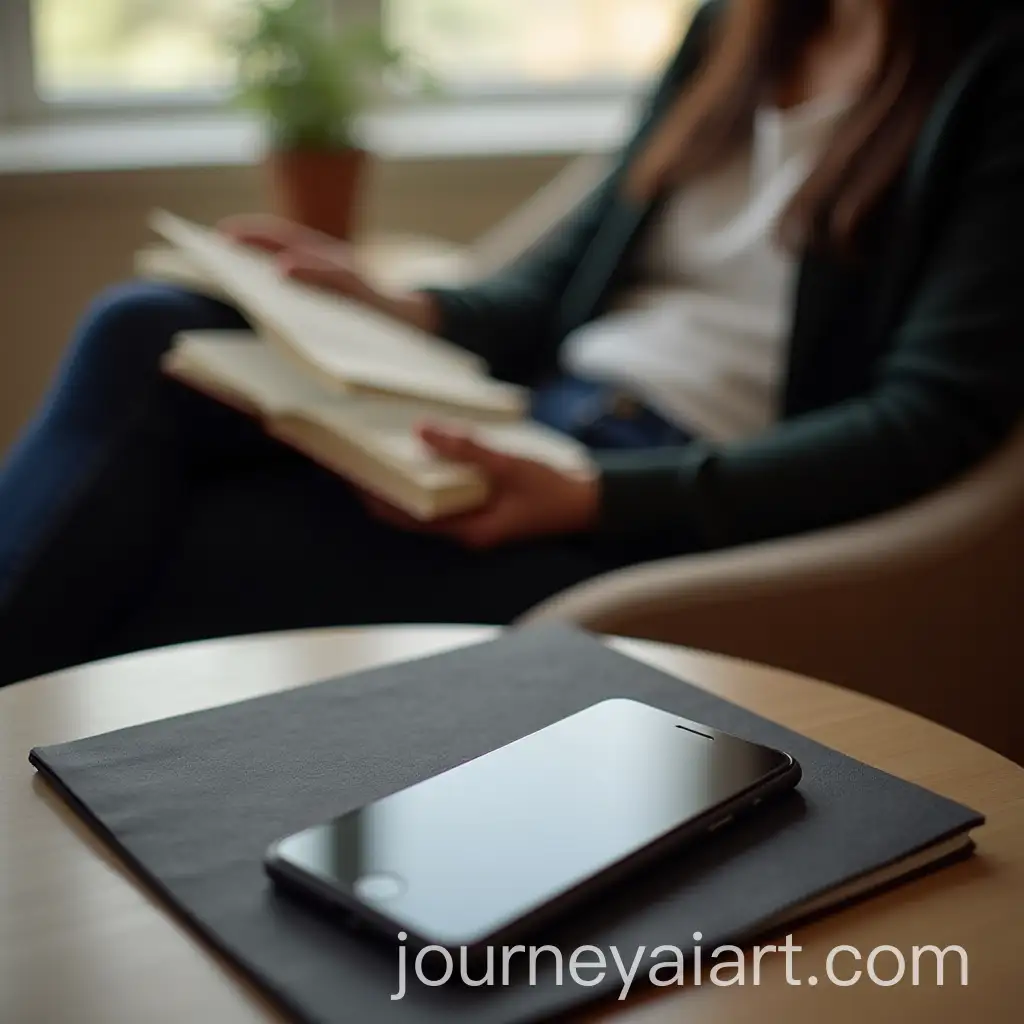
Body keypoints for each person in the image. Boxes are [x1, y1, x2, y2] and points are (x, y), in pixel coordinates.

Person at [1, 0, 1022, 686]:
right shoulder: (739, 26)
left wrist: (595, 496)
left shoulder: (994, 72)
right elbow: (557, 284)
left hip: (655, 500)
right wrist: (396, 307)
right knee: (145, 327)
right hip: (533, 416)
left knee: (161, 535)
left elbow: (925, 421)